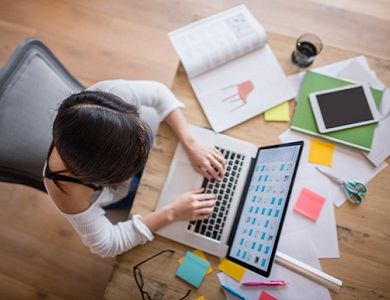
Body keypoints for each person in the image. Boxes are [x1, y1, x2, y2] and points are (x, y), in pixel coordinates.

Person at [44, 80, 226, 258]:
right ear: (101, 178)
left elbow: (160, 93)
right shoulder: (67, 192)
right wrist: (171, 213)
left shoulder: (109, 97)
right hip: (120, 195)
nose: (146, 153)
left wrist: (190, 142)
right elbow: (107, 245)